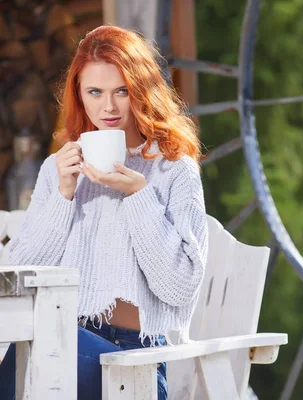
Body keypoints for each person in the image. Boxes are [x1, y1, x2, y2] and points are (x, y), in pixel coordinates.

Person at [0, 25, 208, 400]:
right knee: (33, 352)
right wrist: (64, 195)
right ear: (79, 95)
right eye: (94, 92)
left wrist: (137, 195)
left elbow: (179, 286)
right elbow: (21, 272)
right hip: (61, 337)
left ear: (141, 91)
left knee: (34, 353)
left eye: (121, 91)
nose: (108, 107)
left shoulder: (173, 168)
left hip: (136, 360)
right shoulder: (58, 168)